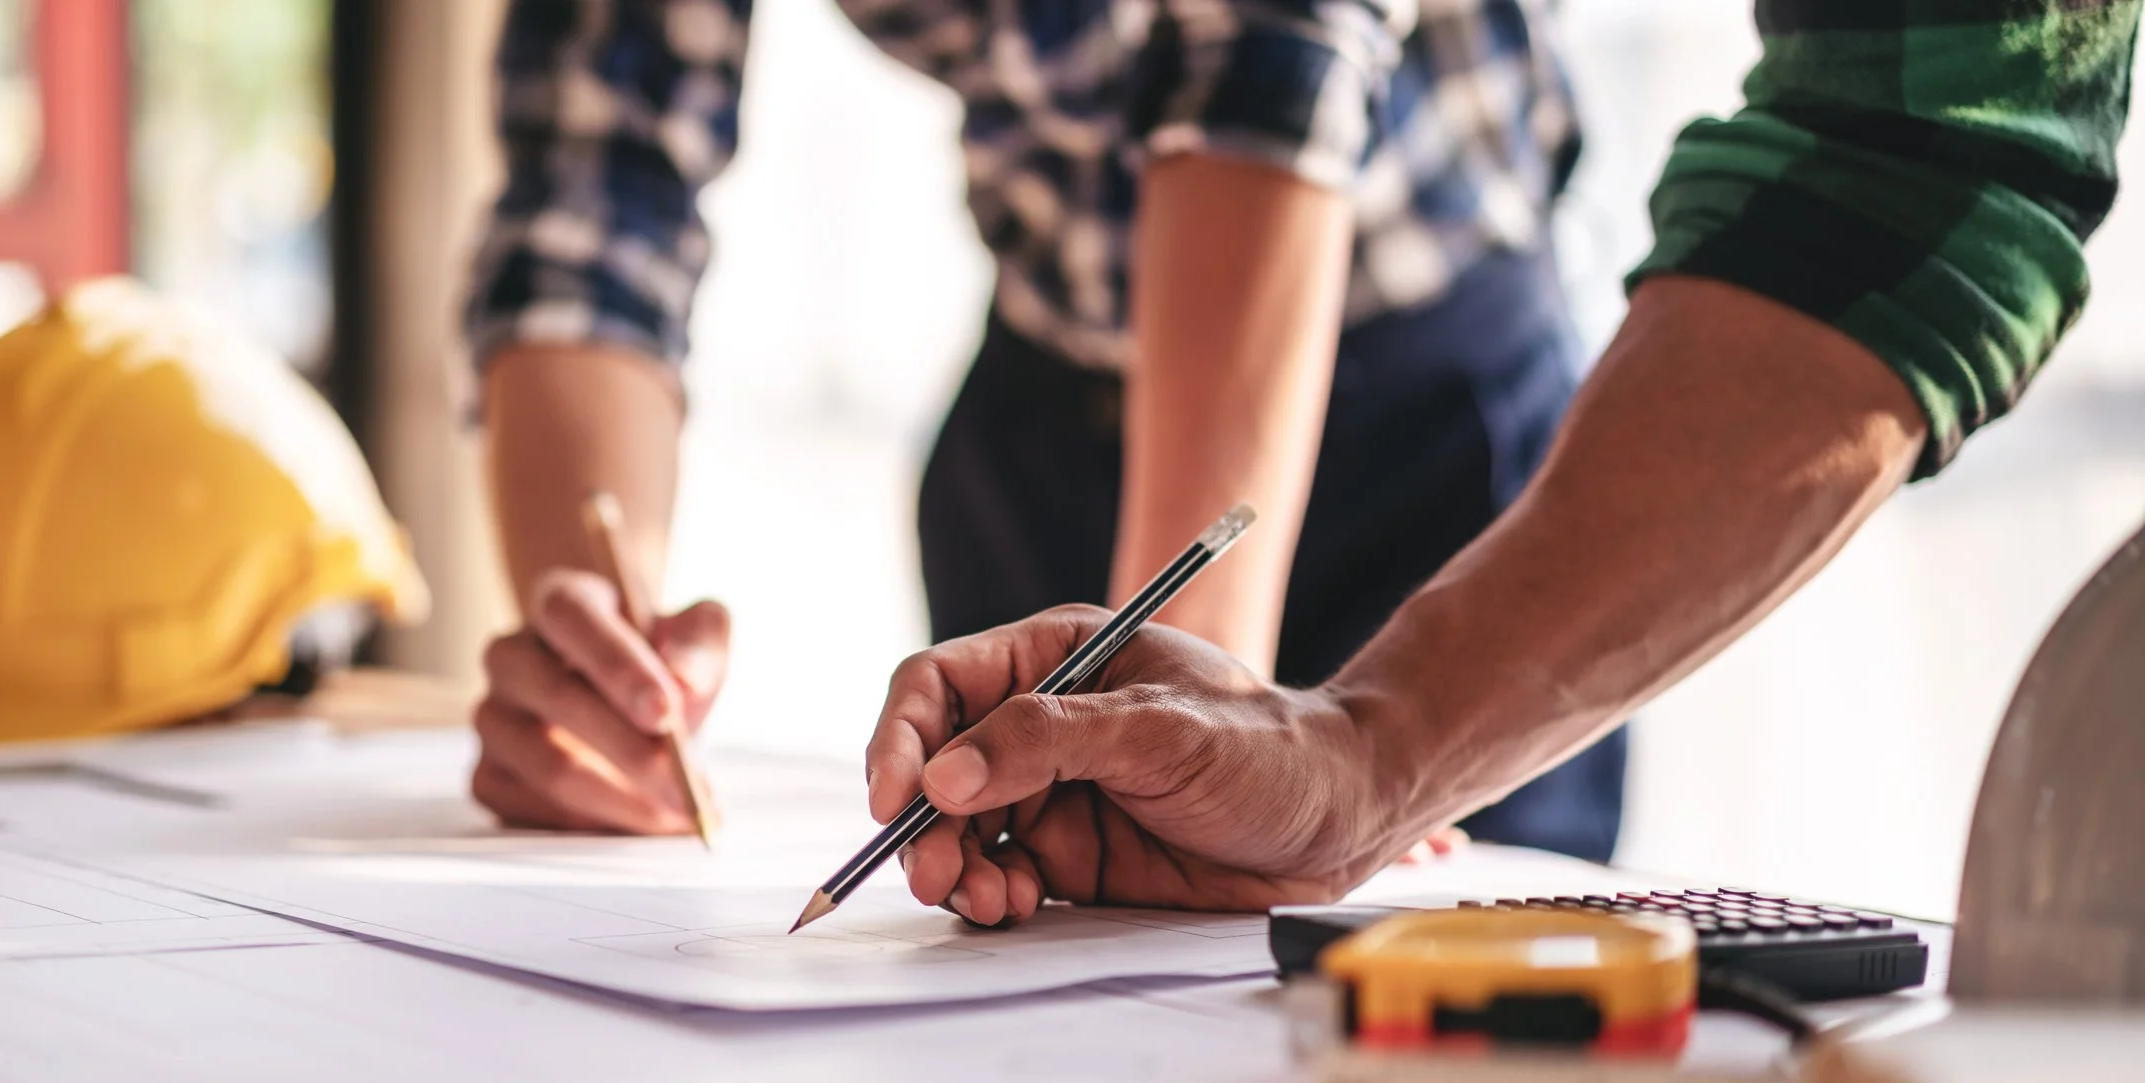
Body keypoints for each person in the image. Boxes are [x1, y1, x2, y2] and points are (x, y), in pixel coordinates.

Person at [854, 2, 2142, 924]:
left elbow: (1911, 154)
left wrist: (1366, 748)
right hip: (1039, 376)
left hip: (1436, 401)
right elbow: (637, 154)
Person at [463, 0, 1630, 858]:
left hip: (1425, 436)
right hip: (1043, 403)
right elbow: (592, 179)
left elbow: (1266, 70)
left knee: (1437, 1052)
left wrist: (1199, 718)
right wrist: (598, 673)